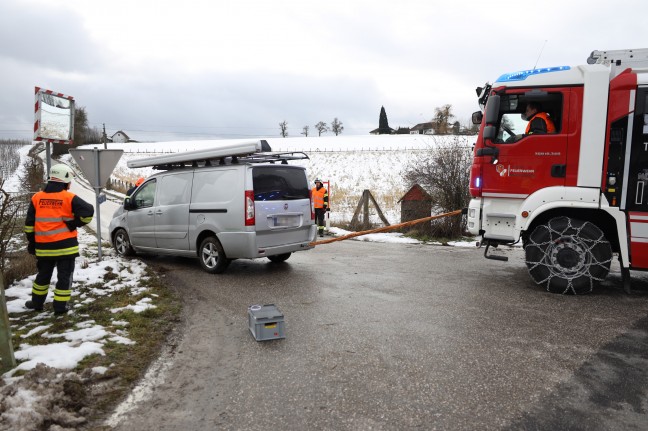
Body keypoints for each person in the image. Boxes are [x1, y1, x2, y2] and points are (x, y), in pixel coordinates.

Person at [23, 164, 94, 315]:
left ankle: (36, 303)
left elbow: (29, 225)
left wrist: (32, 243)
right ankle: (60, 308)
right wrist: (74, 223)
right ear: (65, 180)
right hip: (65, 248)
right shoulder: (68, 197)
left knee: (42, 276)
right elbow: (88, 212)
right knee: (64, 277)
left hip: (43, 247)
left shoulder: (37, 198)